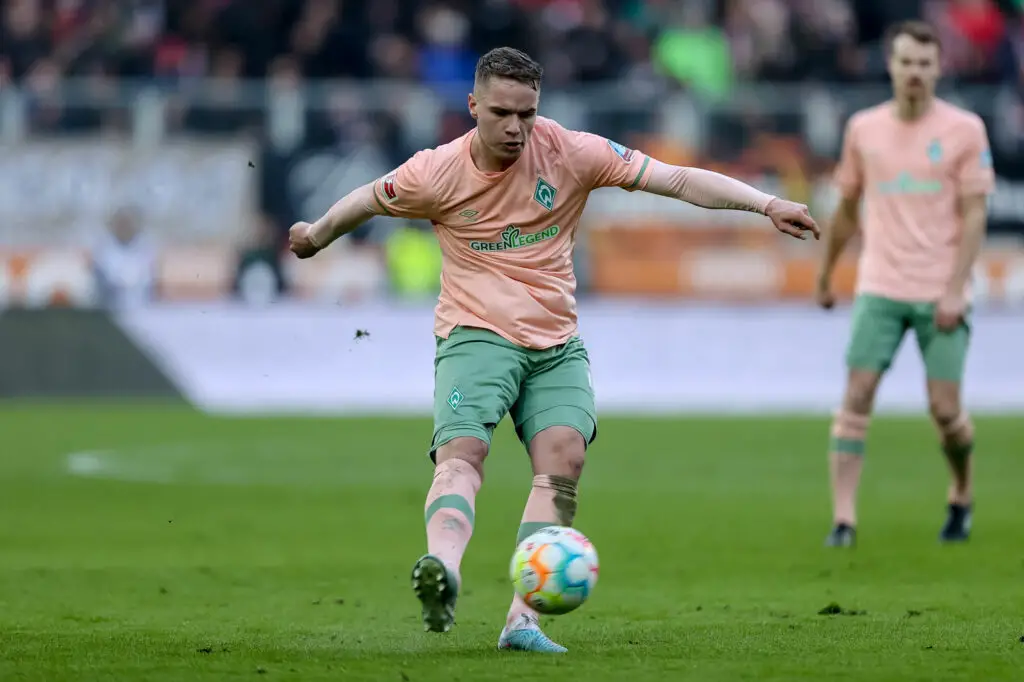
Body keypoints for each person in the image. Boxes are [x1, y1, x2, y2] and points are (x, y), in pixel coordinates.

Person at [289, 47, 819, 652]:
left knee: (565, 459)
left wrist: (767, 203)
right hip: (475, 333)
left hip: (556, 343)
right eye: (502, 113)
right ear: (473, 106)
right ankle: (444, 571)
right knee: (462, 454)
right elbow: (367, 198)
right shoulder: (435, 172)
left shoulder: (571, 151)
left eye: (528, 113)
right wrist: (315, 235)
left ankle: (522, 621)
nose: (516, 127)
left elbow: (675, 179)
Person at [816, 21, 995, 548]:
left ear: (939, 68)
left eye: (924, 63)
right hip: (880, 285)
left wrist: (956, 288)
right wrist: (826, 273)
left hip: (941, 287)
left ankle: (961, 492)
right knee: (856, 396)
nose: (914, 71)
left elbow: (975, 214)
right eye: (906, 62)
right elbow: (847, 209)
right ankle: (843, 521)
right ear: (891, 66)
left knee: (945, 410)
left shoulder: (965, 130)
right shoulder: (864, 129)